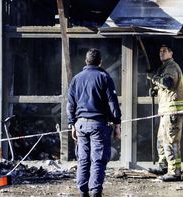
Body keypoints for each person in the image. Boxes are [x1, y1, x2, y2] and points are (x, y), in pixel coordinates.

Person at [67, 48, 122, 197]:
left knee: (83, 159)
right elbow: (113, 103)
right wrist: (117, 123)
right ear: (100, 62)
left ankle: (82, 190)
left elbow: (70, 104)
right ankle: (95, 191)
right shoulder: (104, 77)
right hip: (99, 125)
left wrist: (72, 124)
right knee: (98, 159)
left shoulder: (76, 79)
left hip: (81, 125)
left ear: (86, 61)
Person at [148, 44, 183, 182]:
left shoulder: (171, 66)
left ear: (171, 53)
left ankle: (175, 172)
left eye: (165, 51)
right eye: (160, 51)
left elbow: (169, 83)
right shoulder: (165, 67)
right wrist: (156, 89)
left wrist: (154, 79)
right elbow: (165, 87)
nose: (161, 53)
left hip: (173, 112)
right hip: (166, 111)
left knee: (171, 141)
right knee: (162, 140)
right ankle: (164, 165)